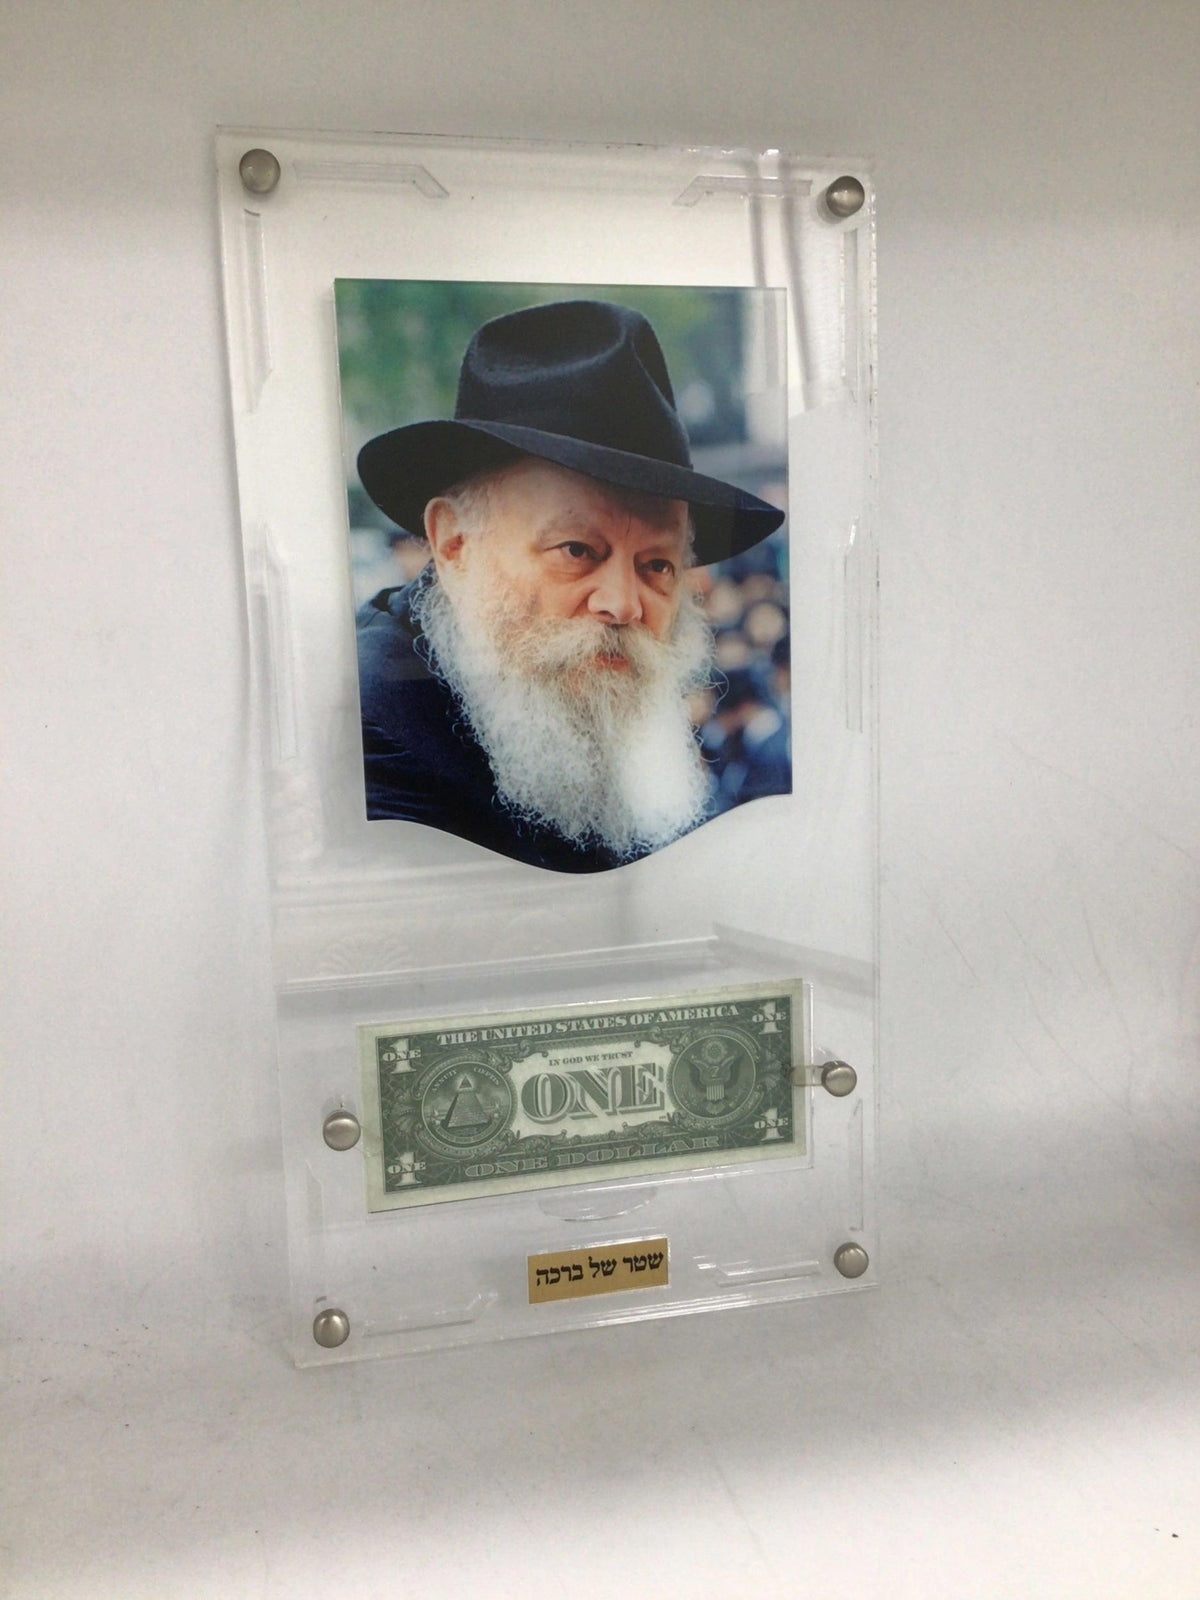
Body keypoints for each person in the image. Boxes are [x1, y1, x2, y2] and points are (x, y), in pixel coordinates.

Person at [354, 298, 786, 873]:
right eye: (577, 551)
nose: (624, 604)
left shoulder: (581, 711)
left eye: (657, 566)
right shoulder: (368, 737)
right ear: (455, 541)